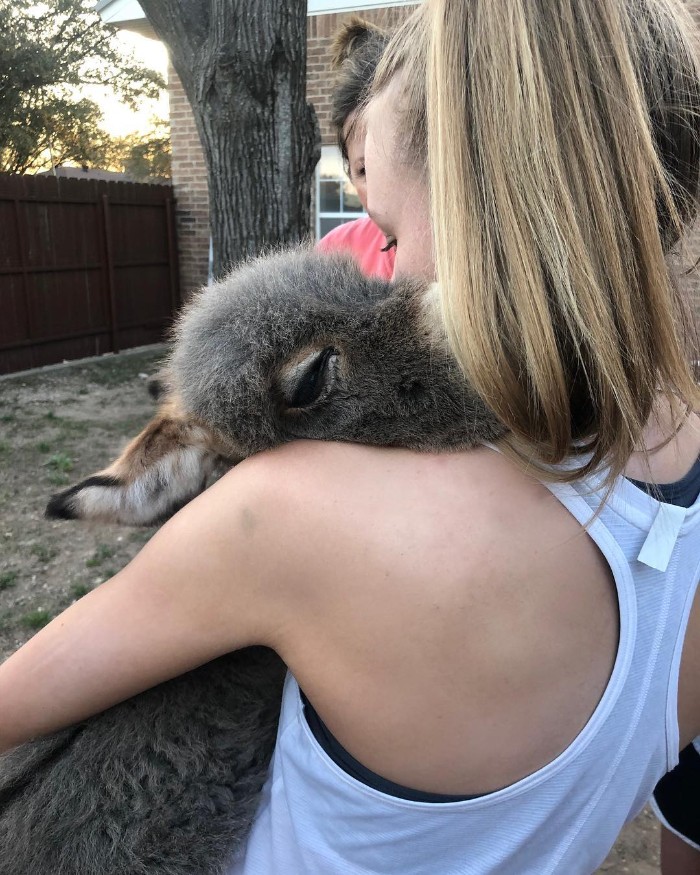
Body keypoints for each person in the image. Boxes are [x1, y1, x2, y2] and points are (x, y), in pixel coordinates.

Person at [1, 1, 700, 873]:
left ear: (487, 210)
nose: (388, 276)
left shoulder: (297, 515)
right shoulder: (685, 475)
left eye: (393, 236)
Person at [316, 17, 396, 279]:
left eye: (396, 162)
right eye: (365, 171)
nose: (384, 191)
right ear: (349, 173)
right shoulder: (335, 253)